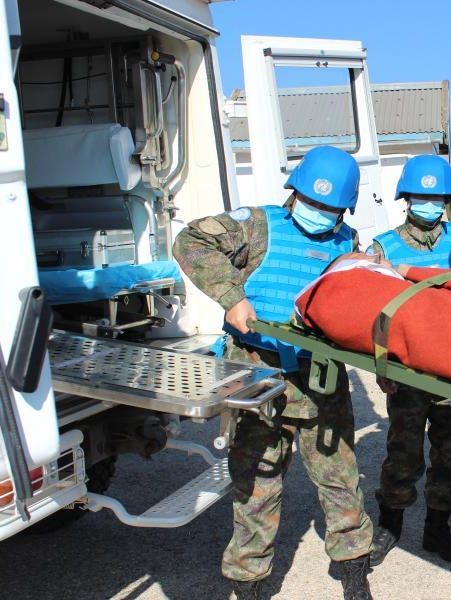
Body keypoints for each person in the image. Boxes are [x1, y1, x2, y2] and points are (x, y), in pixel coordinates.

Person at [173, 145, 374, 600]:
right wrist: (232, 297)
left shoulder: (348, 242)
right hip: (257, 376)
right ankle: (249, 581)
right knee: (256, 484)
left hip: (319, 379)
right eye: (312, 201)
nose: (319, 212)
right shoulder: (256, 225)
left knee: (340, 480)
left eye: (329, 207)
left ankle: (354, 572)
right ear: (295, 191)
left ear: (345, 208)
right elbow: (190, 240)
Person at [365, 155, 451, 566]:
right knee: (403, 453)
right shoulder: (383, 247)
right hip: (407, 371)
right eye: (420, 196)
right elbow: (373, 314)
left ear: (446, 200)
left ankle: (437, 530)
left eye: (436, 197)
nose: (428, 205)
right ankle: (389, 525)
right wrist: (381, 366)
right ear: (406, 198)